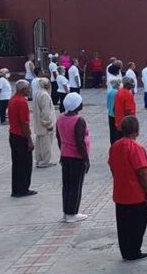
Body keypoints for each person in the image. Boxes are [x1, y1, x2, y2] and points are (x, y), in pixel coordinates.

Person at [108, 116, 147, 261]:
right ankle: (134, 250)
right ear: (137, 130)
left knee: (123, 225)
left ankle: (126, 250)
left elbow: (111, 165)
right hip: (135, 194)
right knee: (137, 224)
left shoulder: (115, 146)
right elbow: (141, 171)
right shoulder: (136, 147)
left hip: (121, 192)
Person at [56, 93, 90, 223]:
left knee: (67, 184)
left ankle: (66, 211)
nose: (82, 104)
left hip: (65, 155)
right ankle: (72, 213)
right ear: (76, 105)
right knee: (76, 185)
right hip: (76, 156)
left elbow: (59, 138)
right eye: (80, 102)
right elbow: (79, 141)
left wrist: (62, 151)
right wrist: (86, 159)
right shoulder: (78, 120)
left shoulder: (60, 118)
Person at [8, 80, 37, 197]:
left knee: (16, 163)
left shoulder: (12, 100)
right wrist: (29, 140)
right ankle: (23, 188)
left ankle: (16, 188)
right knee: (25, 164)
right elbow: (24, 122)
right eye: (28, 88)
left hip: (13, 135)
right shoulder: (22, 102)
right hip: (21, 136)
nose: (29, 90)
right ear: (23, 89)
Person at [33, 78, 57, 168]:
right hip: (44, 125)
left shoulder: (38, 93)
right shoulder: (45, 95)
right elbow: (46, 111)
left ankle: (39, 160)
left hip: (38, 123)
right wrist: (48, 124)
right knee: (46, 144)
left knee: (39, 144)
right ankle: (45, 161)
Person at [107, 79, 122, 144]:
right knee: (117, 130)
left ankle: (112, 142)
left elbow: (107, 103)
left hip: (110, 113)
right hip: (115, 113)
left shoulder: (110, 92)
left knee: (111, 130)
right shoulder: (117, 92)